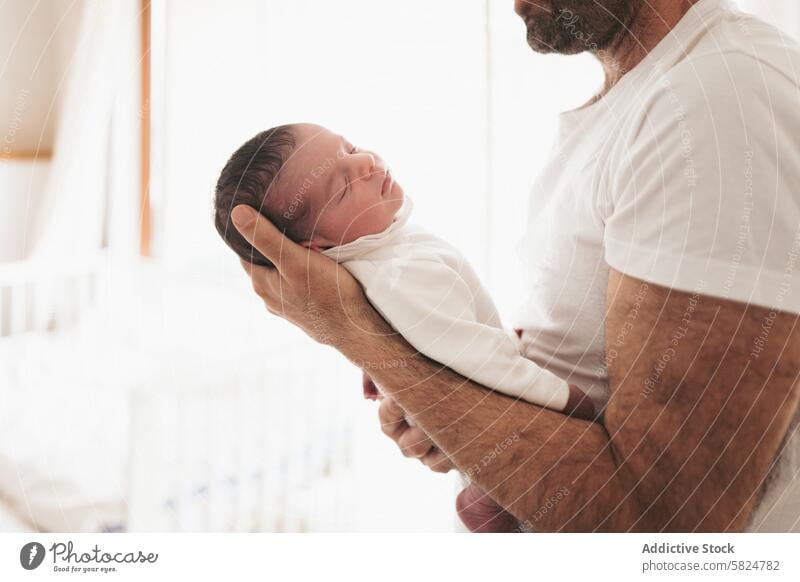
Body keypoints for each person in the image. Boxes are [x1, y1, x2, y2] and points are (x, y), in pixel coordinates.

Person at [231, 0, 800, 531]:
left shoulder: (716, 103)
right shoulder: (641, 102)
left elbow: (666, 526)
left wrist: (364, 339)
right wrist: (461, 420)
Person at [214, 122, 594, 532]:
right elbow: (483, 364)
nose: (363, 162)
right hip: (511, 423)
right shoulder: (399, 275)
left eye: (350, 147)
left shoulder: (385, 254)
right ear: (314, 247)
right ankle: (489, 501)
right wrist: (566, 398)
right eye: (342, 188)